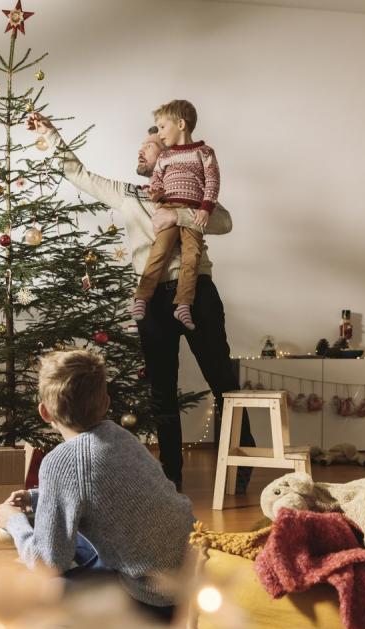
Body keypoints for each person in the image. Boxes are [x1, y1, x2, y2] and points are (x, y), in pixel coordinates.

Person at [26, 112, 253, 493]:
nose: (141, 153)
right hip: (152, 300)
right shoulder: (128, 193)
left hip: (197, 291)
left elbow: (224, 222)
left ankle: (242, 468)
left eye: (149, 147)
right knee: (162, 388)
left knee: (223, 380)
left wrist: (178, 213)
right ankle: (172, 478)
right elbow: (80, 174)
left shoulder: (197, 198)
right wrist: (51, 133)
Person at [0, 350, 194, 622]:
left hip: (152, 598)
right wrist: (36, 498)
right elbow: (102, 491)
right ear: (106, 403)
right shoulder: (120, 435)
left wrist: (15, 522)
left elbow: (49, 564)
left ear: (44, 412)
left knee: (32, 584)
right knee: (71, 531)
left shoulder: (59, 462)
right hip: (191, 579)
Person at [133, 99, 219, 331]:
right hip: (169, 208)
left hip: (192, 211)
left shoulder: (204, 152)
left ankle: (183, 304)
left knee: (192, 257)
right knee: (159, 251)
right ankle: (142, 297)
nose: (159, 133)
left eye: (162, 127)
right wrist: (156, 195)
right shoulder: (164, 157)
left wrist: (205, 208)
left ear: (180, 124)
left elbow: (212, 181)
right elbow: (157, 180)